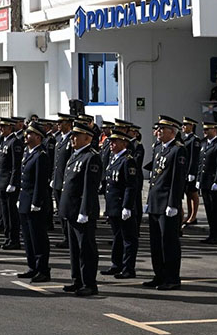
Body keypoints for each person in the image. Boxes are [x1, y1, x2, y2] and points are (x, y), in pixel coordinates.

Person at [143, 115, 188, 291]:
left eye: (163, 129)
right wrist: (148, 200)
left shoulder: (178, 150)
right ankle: (159, 274)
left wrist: (173, 204)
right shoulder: (159, 148)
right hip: (155, 201)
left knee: (169, 243)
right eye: (159, 129)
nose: (158, 132)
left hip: (167, 203)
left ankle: (172, 277)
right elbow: (154, 178)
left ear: (172, 132)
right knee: (156, 242)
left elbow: (177, 180)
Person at [58, 122, 102, 297]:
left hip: (82, 211)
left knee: (86, 249)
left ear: (87, 138)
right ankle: (77, 280)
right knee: (74, 249)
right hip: (71, 209)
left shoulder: (91, 157)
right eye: (72, 136)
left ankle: (89, 283)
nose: (73, 139)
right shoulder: (75, 155)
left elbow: (89, 188)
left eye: (76, 136)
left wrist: (85, 210)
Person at [100, 130, 140, 279]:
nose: (111, 144)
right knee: (117, 237)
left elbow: (131, 185)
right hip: (114, 207)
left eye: (115, 141)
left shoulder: (127, 160)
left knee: (128, 239)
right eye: (111, 141)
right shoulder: (114, 158)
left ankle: (128, 268)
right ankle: (116, 265)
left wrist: (127, 206)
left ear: (124, 143)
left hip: (122, 206)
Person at [18, 122, 51, 281]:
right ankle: (32, 266)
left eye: (29, 134)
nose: (26, 136)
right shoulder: (28, 152)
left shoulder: (41, 155)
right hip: (25, 200)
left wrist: (36, 202)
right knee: (28, 237)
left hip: (34, 203)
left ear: (38, 137)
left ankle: (42, 270)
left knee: (38, 238)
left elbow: (40, 182)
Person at [0, 118, 24, 251]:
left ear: (10, 128)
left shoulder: (15, 142)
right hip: (1, 181)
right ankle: (7, 238)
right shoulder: (3, 141)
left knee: (11, 213)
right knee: (5, 213)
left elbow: (16, 165)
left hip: (9, 182)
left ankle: (14, 239)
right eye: (0, 127)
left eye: (4, 127)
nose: (1, 129)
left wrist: (13, 182)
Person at [196, 121, 217, 244]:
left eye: (207, 129)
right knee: (209, 209)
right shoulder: (203, 144)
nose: (205, 132)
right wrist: (198, 179)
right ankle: (212, 234)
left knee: (216, 210)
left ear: (214, 130)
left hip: (213, 182)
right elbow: (200, 163)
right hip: (205, 181)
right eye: (204, 130)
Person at [50, 113, 73, 249]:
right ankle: (65, 236)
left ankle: (69, 237)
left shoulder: (71, 139)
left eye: (61, 122)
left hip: (66, 182)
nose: (58, 124)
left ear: (68, 124)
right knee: (60, 211)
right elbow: (56, 162)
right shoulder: (58, 138)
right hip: (57, 180)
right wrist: (54, 177)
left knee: (66, 211)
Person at [180, 117, 201, 229]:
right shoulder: (186, 139)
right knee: (188, 193)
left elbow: (194, 157)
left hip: (190, 171)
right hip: (185, 171)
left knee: (193, 193)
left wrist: (192, 172)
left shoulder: (194, 140)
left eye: (185, 124)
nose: (183, 127)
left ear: (191, 126)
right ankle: (189, 215)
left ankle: (193, 216)